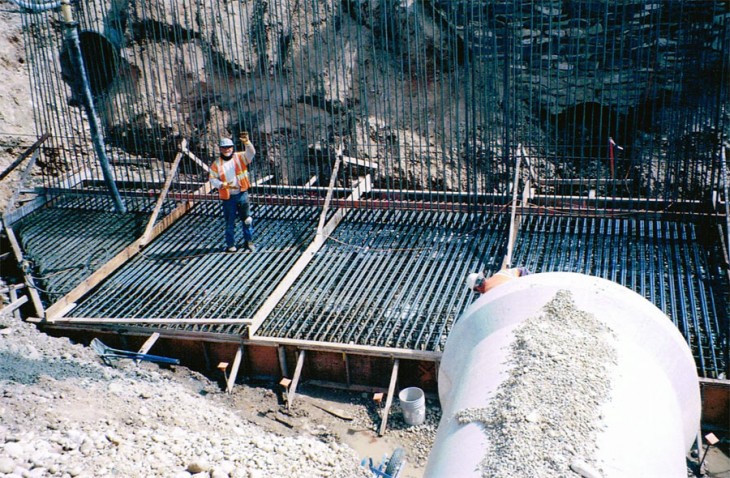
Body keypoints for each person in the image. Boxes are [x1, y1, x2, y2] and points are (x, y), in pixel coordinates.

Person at [209, 133, 257, 252]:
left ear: (232, 148)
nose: (227, 150)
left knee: (247, 220)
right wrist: (220, 184)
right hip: (228, 197)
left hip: (242, 194)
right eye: (224, 148)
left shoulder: (240, 157)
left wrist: (247, 143)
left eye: (229, 147)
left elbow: (251, 153)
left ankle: (249, 241)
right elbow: (212, 178)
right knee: (230, 223)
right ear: (220, 149)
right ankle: (230, 245)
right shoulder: (216, 164)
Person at [466, 267, 531, 294]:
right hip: (524, 277)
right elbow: (521, 270)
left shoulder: (488, 294)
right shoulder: (500, 273)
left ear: (476, 290)